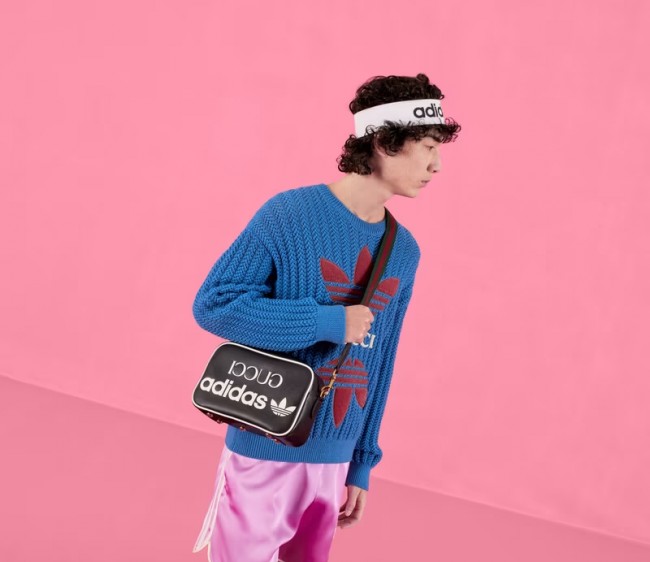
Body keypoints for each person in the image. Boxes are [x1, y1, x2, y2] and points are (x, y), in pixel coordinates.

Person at [191, 72, 461, 562]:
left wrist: (361, 463)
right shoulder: (289, 214)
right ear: (384, 142)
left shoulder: (404, 251)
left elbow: (381, 363)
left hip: (335, 458)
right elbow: (215, 304)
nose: (436, 165)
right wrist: (328, 323)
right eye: (427, 147)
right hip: (263, 445)